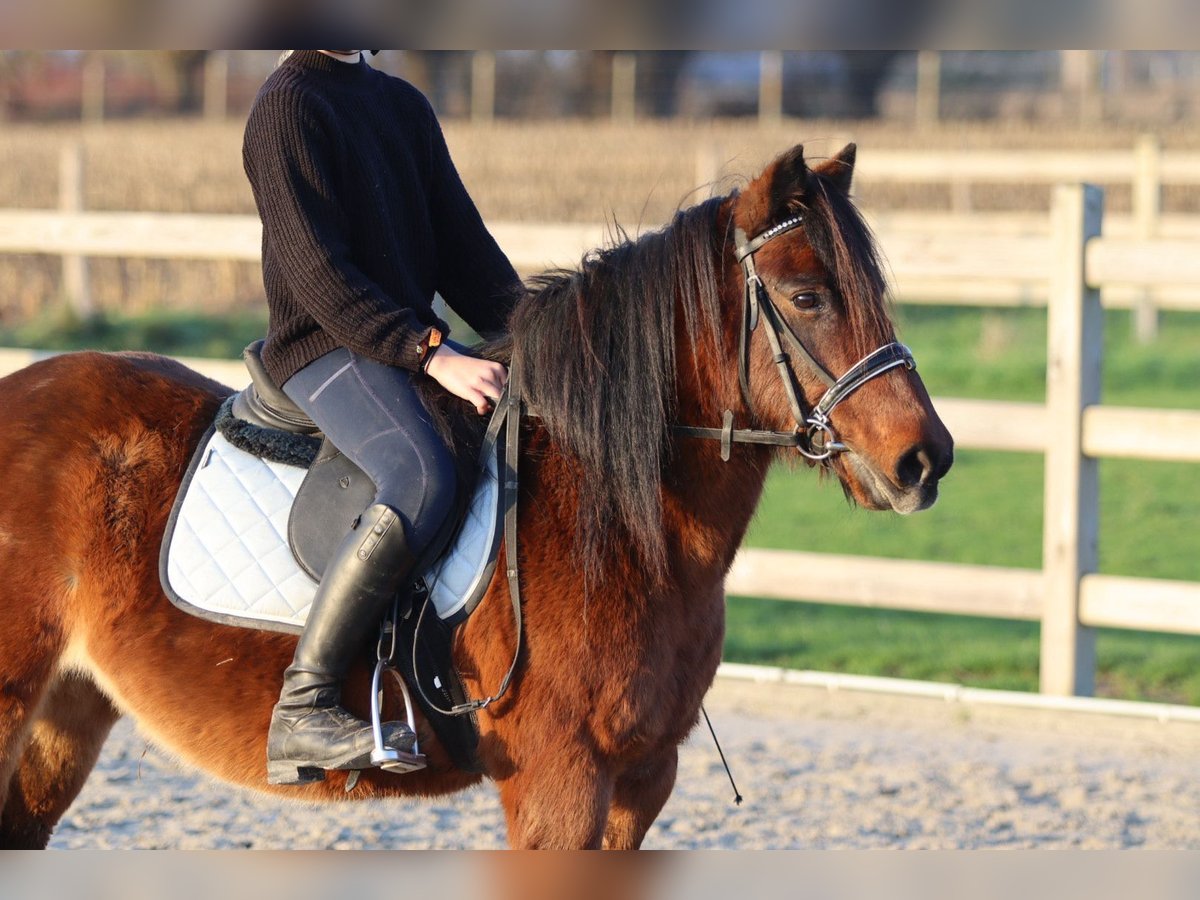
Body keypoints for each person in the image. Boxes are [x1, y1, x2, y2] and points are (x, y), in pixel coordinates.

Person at [242, 49, 521, 785]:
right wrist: (431, 353)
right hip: (321, 346)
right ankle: (303, 706)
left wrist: (545, 340)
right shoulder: (287, 106)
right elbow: (318, 275)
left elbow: (468, 256)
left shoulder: (402, 106)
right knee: (420, 471)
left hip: (394, 340)